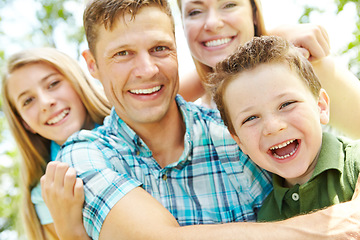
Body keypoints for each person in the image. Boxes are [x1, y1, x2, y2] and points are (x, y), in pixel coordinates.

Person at [41, 0, 360, 239]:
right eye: (122, 54)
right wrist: (341, 223)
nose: (146, 70)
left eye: (159, 48)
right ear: (92, 64)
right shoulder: (82, 160)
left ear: (178, 50)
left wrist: (272, 37)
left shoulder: (237, 133)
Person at [207, 35, 360, 222]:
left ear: (321, 106)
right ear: (239, 142)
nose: (273, 127)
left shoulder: (355, 163)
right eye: (251, 118)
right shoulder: (267, 220)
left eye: (286, 104)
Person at [176, 0, 360, 139]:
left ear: (254, 13)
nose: (212, 23)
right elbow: (160, 100)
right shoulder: (198, 108)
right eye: (195, 12)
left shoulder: (305, 65)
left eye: (229, 4)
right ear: (183, 26)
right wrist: (272, 36)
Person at [1, 48, 111, 240]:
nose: (45, 103)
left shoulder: (132, 118)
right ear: (25, 123)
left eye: (53, 84)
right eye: (28, 101)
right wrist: (69, 229)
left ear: (76, 81)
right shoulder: (43, 197)